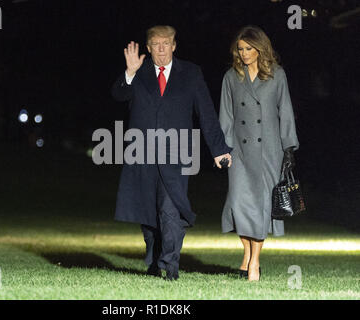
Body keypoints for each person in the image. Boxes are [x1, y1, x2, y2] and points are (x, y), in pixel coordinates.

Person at [111, 25, 232, 280]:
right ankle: (155, 259)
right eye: (156, 44)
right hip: (141, 153)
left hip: (177, 153)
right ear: (148, 47)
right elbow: (118, 95)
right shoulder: (139, 71)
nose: (162, 49)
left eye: (167, 43)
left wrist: (219, 149)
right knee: (148, 214)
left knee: (170, 208)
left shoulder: (191, 73)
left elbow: (206, 113)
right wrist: (129, 73)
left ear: (175, 45)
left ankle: (170, 264)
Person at [219, 25, 299, 281]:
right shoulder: (231, 77)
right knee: (240, 204)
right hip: (239, 151)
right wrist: (224, 149)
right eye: (240, 49)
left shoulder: (277, 75)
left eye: (249, 49)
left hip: (268, 151)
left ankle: (254, 262)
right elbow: (226, 116)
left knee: (263, 206)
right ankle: (246, 254)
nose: (244, 54)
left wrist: (289, 147)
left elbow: (285, 111)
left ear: (260, 49)